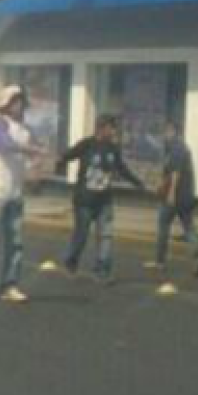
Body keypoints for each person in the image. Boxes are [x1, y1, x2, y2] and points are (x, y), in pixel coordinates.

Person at [0, 85, 47, 302]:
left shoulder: (26, 130)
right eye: (14, 100)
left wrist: (37, 165)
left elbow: (36, 155)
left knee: (15, 242)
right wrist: (31, 150)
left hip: (15, 194)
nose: (18, 105)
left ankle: (9, 285)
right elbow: (4, 145)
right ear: (6, 104)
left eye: (21, 100)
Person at [58, 114, 145, 283]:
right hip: (84, 200)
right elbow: (67, 155)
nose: (114, 131)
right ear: (101, 128)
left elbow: (122, 168)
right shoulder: (87, 145)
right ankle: (71, 259)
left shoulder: (113, 148)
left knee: (106, 235)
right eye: (111, 127)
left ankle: (102, 270)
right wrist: (54, 163)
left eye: (114, 128)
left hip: (104, 200)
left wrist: (137, 183)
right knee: (81, 235)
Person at [152, 120, 198, 276]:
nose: (163, 135)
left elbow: (176, 173)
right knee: (189, 229)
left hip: (176, 197)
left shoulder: (176, 148)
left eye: (165, 131)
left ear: (172, 130)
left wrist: (170, 195)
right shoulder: (179, 148)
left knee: (163, 226)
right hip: (186, 197)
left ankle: (160, 261)